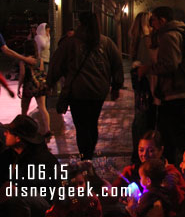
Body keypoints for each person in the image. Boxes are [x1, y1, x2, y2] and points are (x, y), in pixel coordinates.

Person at [48, 11, 123, 159]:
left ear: (80, 23)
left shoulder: (71, 43)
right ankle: (89, 153)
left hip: (78, 92)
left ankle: (86, 155)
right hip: (98, 91)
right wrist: (116, 86)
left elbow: (56, 64)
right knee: (92, 122)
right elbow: (117, 64)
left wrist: (50, 82)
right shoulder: (106, 42)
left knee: (81, 125)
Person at [138, 6, 185, 165]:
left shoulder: (168, 36)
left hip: (174, 93)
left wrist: (147, 68)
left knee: (174, 136)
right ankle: (173, 167)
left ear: (162, 20)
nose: (152, 24)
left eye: (153, 20)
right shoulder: (178, 33)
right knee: (170, 135)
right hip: (176, 92)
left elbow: (170, 64)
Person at [0, 115, 60, 216]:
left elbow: (42, 191)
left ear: (18, 138)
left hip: (44, 204)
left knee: (17, 196)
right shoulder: (11, 154)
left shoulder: (40, 159)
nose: (5, 134)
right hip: (19, 199)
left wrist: (14, 188)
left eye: (9, 132)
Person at [113, 130, 185, 204]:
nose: (145, 154)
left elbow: (181, 203)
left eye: (151, 151)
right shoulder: (132, 171)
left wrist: (172, 188)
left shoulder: (170, 173)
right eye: (141, 150)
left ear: (161, 150)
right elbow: (113, 192)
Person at [129, 11, 156, 163]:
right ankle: (142, 154)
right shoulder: (146, 41)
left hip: (140, 86)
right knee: (144, 119)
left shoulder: (135, 40)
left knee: (139, 117)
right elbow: (149, 64)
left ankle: (138, 152)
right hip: (147, 85)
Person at [18, 40, 51, 139]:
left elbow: (22, 75)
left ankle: (24, 130)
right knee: (42, 108)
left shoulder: (23, 60)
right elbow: (41, 72)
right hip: (38, 86)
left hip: (28, 86)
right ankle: (47, 129)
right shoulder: (39, 60)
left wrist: (19, 87)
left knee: (24, 110)